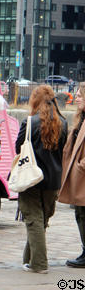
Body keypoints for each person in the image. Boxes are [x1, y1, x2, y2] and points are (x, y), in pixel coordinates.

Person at [15, 85, 67, 274]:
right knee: (40, 219)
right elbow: (63, 151)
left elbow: (18, 148)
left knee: (34, 219)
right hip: (53, 180)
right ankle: (28, 259)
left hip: (31, 179)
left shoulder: (30, 122)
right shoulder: (63, 122)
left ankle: (39, 264)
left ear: (35, 100)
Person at [58, 81, 85, 268]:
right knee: (80, 214)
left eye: (80, 95)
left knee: (83, 214)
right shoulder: (80, 118)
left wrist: (80, 166)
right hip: (78, 176)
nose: (76, 97)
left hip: (82, 175)